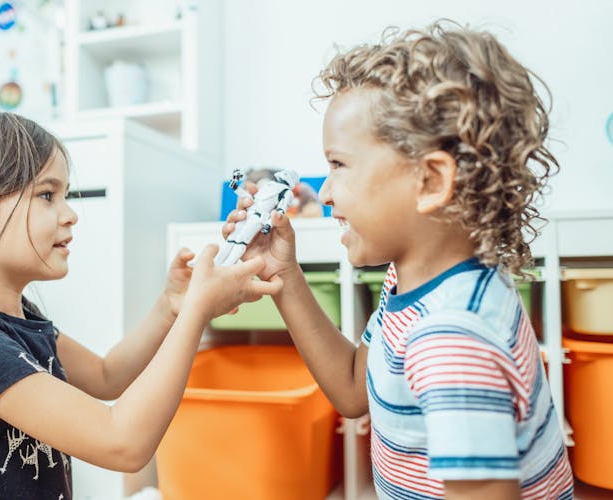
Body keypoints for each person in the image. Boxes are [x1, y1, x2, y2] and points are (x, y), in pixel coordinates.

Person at [224, 21, 573, 499]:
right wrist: (283, 272)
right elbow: (353, 389)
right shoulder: (416, 280)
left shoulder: (452, 338)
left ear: (430, 181)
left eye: (338, 165)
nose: (324, 193)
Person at [0, 111, 281, 499]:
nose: (70, 215)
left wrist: (171, 308)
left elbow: (107, 376)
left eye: (65, 195)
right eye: (47, 195)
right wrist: (196, 312)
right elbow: (123, 442)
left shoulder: (16, 317)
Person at [214, 168, 299, 266]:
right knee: (231, 237)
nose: (285, 174)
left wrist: (269, 224)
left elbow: (280, 211)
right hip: (250, 212)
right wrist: (236, 188)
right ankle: (217, 262)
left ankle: (227, 265)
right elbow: (253, 199)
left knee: (241, 241)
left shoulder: (286, 192)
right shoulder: (268, 185)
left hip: (259, 217)